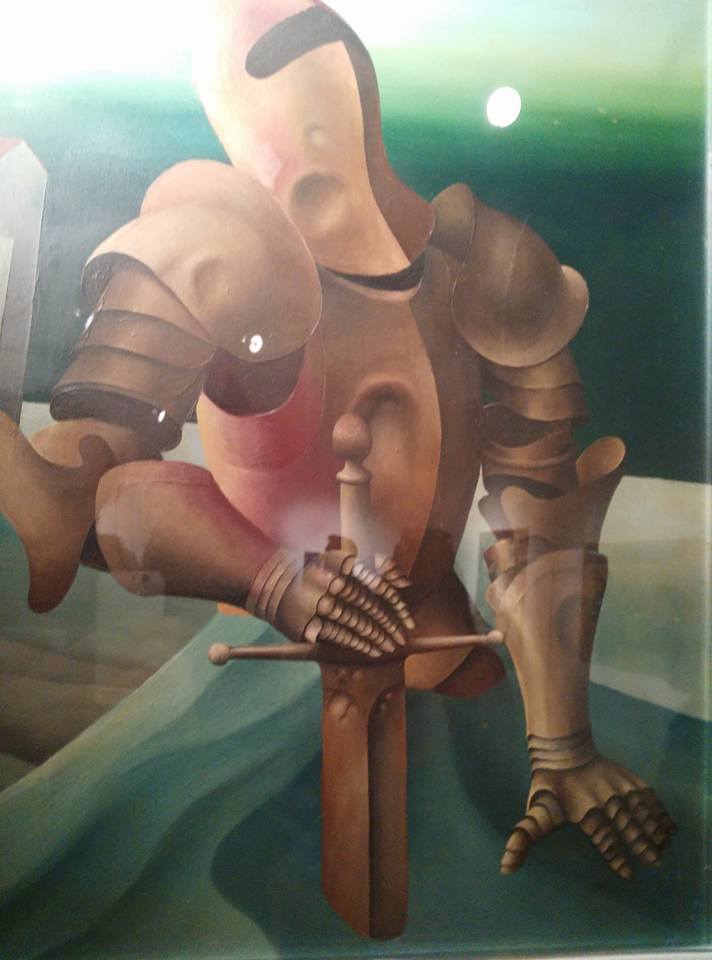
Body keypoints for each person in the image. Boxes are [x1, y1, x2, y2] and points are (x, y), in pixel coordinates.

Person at [0, 0, 675, 879]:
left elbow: (542, 507)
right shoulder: (212, 249)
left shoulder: (490, 262)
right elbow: (89, 488)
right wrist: (272, 579)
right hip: (263, 671)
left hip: (447, 652)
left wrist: (562, 747)